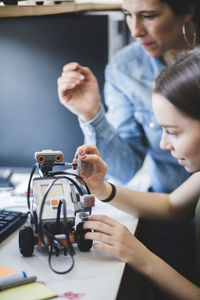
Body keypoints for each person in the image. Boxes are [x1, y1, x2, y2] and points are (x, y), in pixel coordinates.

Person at [57, 0, 200, 283]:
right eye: (127, 15)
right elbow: (172, 206)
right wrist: (92, 115)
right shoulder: (125, 67)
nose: (134, 30)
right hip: (164, 214)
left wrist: (140, 256)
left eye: (148, 16)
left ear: (187, 10)